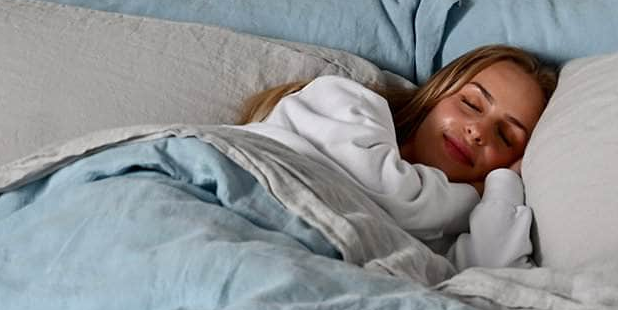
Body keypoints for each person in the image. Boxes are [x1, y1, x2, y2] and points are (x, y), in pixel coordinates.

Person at [237, 45, 559, 269]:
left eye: (505, 136)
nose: (478, 131)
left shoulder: (447, 235)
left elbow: (493, 276)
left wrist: (503, 185)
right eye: (471, 104)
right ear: (439, 90)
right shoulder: (346, 103)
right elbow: (395, 195)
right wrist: (475, 193)